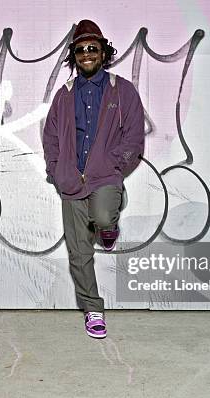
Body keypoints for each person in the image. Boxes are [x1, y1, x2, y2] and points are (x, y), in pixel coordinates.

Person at [42, 19, 145, 339]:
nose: (87, 54)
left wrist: (116, 166)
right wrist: (55, 170)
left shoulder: (122, 90)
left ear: (103, 53)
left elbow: (134, 136)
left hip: (105, 177)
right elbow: (51, 136)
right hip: (71, 181)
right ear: (74, 56)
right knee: (79, 251)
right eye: (80, 49)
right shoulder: (65, 94)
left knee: (102, 215)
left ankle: (109, 224)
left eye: (93, 48)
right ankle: (93, 309)